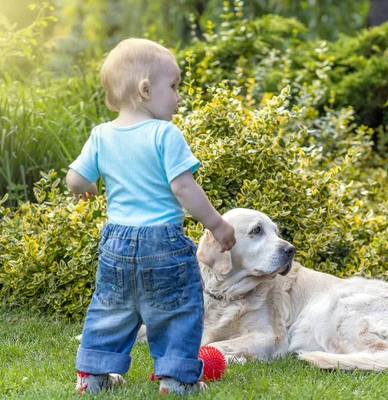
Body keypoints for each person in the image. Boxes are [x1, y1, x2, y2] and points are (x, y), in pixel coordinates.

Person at [66, 38, 236, 395]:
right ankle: (176, 378)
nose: (177, 97)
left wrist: (87, 189)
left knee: (112, 307)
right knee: (179, 309)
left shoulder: (101, 135)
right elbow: (184, 188)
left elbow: (75, 178)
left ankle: (94, 376)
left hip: (116, 242)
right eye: (173, 87)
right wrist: (216, 224)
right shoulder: (165, 133)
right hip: (163, 243)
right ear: (145, 89)